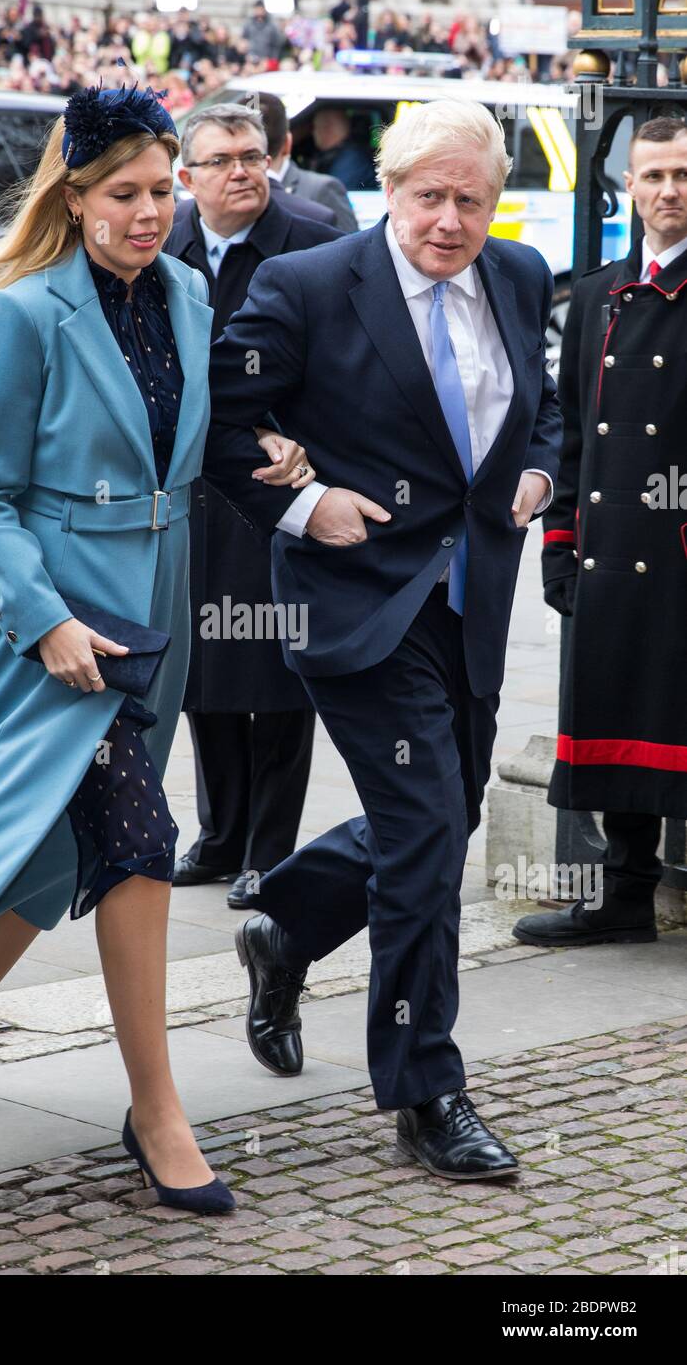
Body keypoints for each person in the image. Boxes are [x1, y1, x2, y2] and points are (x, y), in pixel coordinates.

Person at [0, 83, 315, 1215]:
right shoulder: (29, 311)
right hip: (51, 628)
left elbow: (192, 445)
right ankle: (156, 1112)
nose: (152, 211)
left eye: (165, 190)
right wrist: (51, 622)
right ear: (75, 195)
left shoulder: (191, 293)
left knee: (58, 847)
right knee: (137, 836)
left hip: (151, 621)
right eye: (126, 193)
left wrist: (273, 458)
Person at [206, 98, 562, 1180]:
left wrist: (542, 469)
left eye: (471, 201)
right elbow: (223, 422)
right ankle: (424, 1090)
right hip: (355, 600)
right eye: (428, 197)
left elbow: (535, 409)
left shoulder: (515, 275)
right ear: (387, 190)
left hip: (468, 598)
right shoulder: (308, 284)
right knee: (422, 837)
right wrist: (308, 504)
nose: (449, 221)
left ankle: (286, 922)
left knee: (436, 817)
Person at [514, 115, 687, 949]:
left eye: (683, 175)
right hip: (612, 547)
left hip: (682, 550)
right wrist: (560, 543)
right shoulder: (595, 294)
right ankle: (623, 898)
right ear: (630, 186)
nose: (668, 192)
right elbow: (570, 435)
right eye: (653, 176)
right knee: (619, 712)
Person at [165, 103, 343, 907]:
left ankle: (268, 851)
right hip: (189, 490)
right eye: (221, 160)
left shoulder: (314, 238)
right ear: (187, 176)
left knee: (274, 675)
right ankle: (218, 833)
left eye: (252, 155)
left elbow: (350, 368)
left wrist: (301, 439)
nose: (242, 171)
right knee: (202, 673)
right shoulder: (162, 241)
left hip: (276, 487)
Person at [259, 91, 358, 234]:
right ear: (288, 143)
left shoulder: (323, 189)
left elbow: (350, 249)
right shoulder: (236, 190)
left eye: (315, 127)